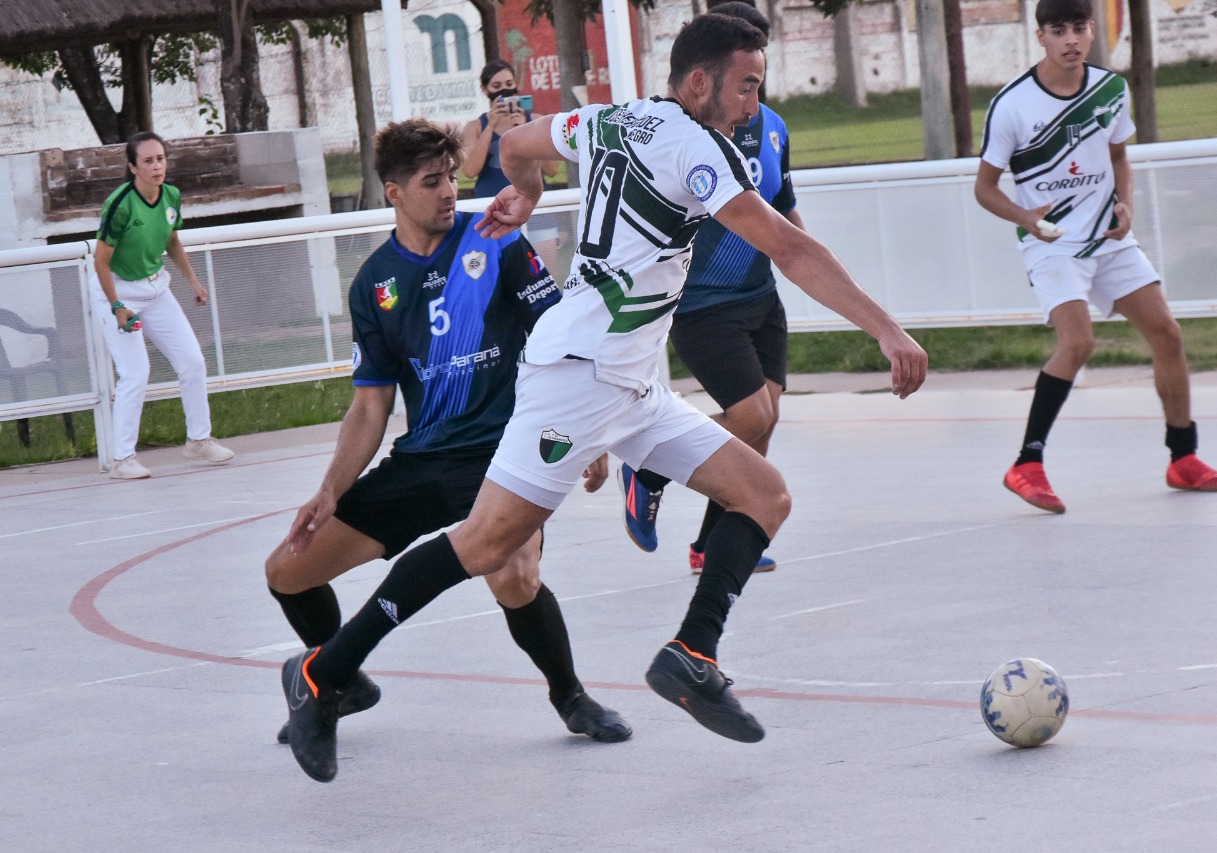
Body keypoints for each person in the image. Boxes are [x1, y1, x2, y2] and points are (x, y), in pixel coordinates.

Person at [280, 12, 926, 782]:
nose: (754, 104)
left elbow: (518, 144)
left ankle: (692, 653)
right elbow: (787, 245)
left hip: (632, 381)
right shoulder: (698, 146)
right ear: (700, 82)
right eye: (747, 86)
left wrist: (523, 193)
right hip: (581, 374)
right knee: (486, 545)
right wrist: (887, 329)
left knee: (765, 494)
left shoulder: (615, 118)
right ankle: (325, 673)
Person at [266, 118, 630, 761]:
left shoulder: (495, 239)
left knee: (514, 573)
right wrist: (329, 490)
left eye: (452, 179)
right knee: (287, 571)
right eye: (432, 182)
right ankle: (340, 680)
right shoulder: (374, 283)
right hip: (423, 460)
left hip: (504, 455)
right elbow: (371, 404)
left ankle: (571, 696)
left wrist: (588, 433)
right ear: (394, 193)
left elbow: (559, 338)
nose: (448, 192)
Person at [975, 0, 1217, 514]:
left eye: (1079, 28)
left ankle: (1183, 459)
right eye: (1058, 30)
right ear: (1041, 37)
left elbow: (1119, 154)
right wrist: (1027, 218)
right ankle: (1027, 464)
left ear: (1092, 31)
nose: (1070, 39)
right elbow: (984, 189)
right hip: (1053, 246)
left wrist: (1126, 203)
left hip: (1109, 239)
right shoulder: (1012, 104)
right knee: (1078, 343)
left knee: (1167, 333)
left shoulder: (1109, 89)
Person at [618, 0, 794, 575]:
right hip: (703, 303)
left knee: (763, 422)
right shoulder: (690, 135)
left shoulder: (772, 127)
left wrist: (803, 262)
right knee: (750, 417)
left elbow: (784, 207)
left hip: (760, 295)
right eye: (745, 76)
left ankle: (711, 545)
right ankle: (649, 466)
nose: (753, 91)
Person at [92, 131, 234, 479]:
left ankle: (198, 440)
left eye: (160, 159)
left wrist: (193, 281)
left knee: (192, 361)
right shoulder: (120, 204)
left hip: (156, 289)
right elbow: (100, 262)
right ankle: (122, 460)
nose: (157, 166)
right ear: (132, 167)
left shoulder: (171, 195)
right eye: (148, 161)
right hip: (118, 291)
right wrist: (117, 306)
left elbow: (172, 240)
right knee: (136, 372)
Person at [460, 59, 558, 198]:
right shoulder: (475, 126)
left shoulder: (536, 121)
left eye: (509, 84)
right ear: (484, 89)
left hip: (531, 199)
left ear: (516, 84)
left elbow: (551, 170)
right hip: (491, 199)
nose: (504, 90)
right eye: (496, 86)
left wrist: (525, 130)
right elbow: (470, 171)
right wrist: (490, 127)